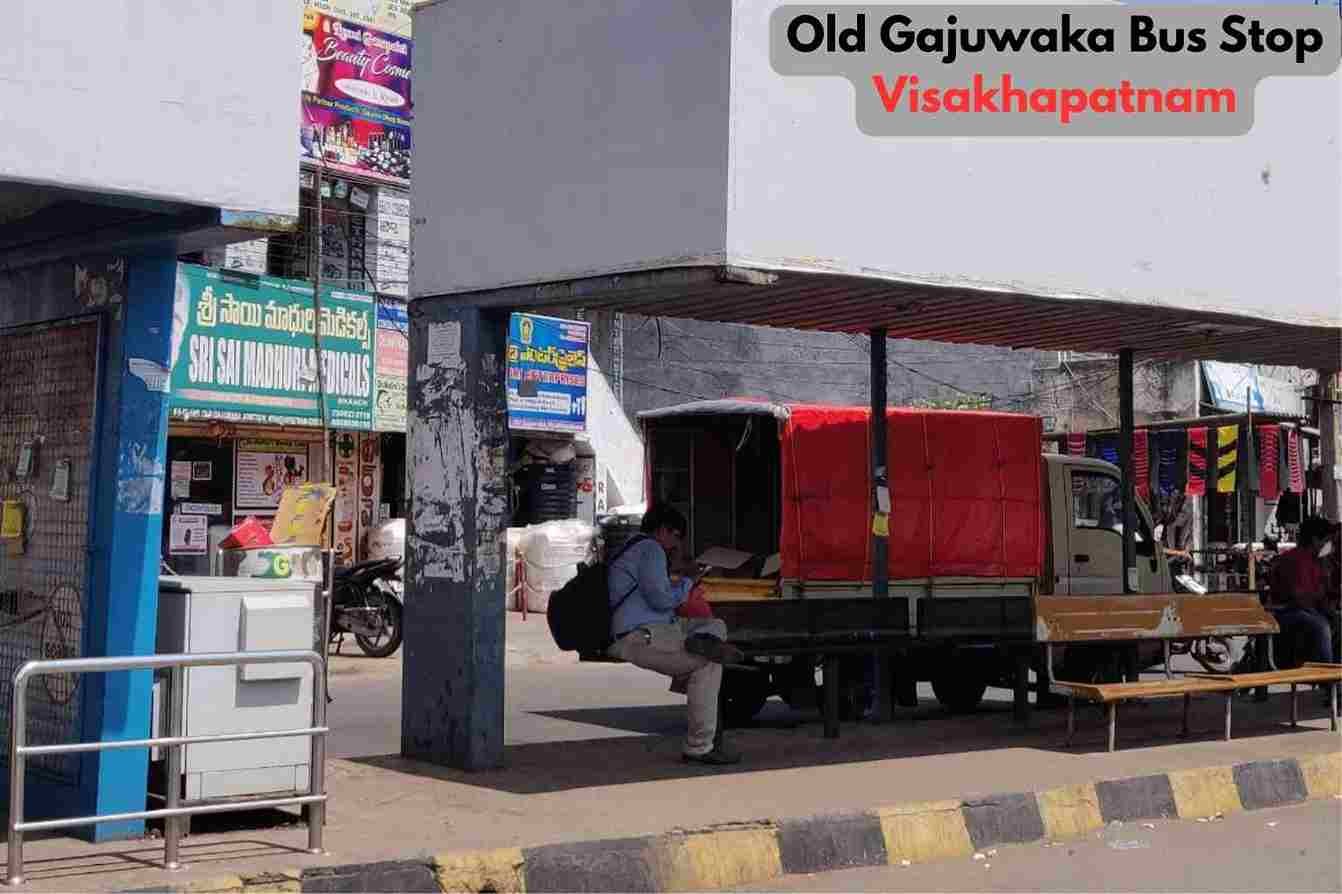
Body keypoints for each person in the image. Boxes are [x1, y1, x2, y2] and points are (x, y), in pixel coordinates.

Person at [607, 505, 743, 765]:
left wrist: (680, 577)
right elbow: (661, 600)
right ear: (663, 530)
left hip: (656, 629)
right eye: (676, 536)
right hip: (641, 635)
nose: (677, 544)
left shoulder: (631, 547)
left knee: (715, 624)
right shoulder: (651, 549)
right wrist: (688, 581)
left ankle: (702, 641)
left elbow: (654, 593)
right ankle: (700, 747)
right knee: (709, 664)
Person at [1269, 516, 1338, 667]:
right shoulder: (1295, 559)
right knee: (1321, 626)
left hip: (1307, 610)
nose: (1329, 545)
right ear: (1315, 540)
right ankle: (1327, 674)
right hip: (1287, 612)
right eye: (1326, 541)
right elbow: (1300, 598)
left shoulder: (1318, 561)